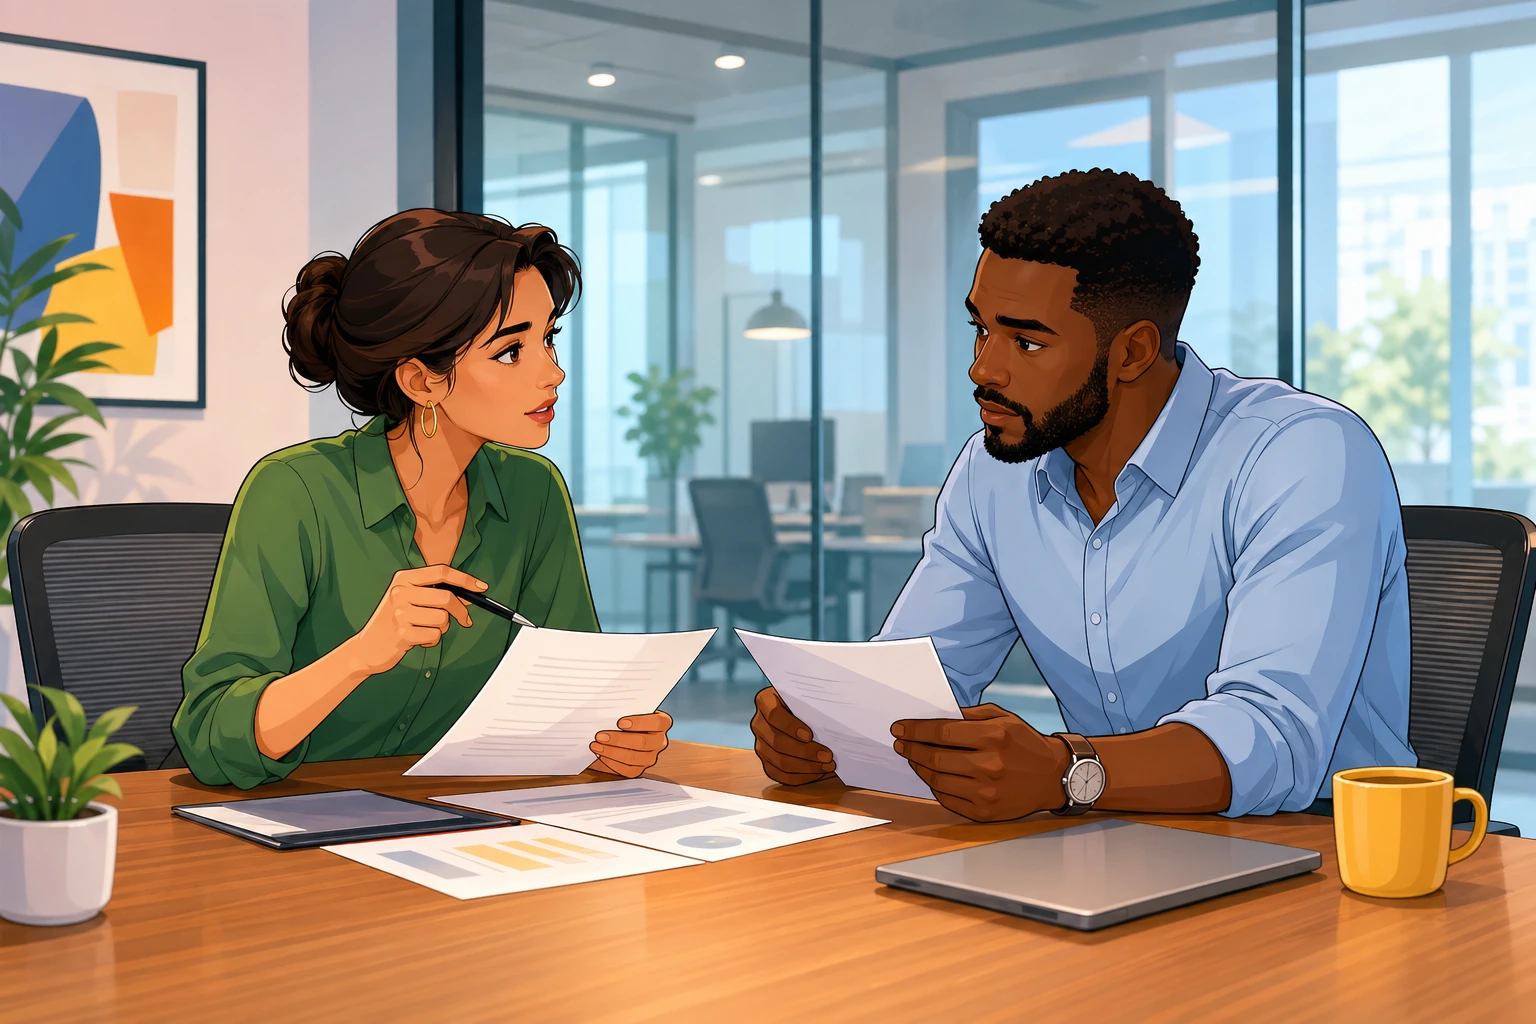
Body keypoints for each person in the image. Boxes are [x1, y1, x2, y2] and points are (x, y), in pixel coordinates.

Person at [751, 169, 1415, 821]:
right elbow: (919, 684)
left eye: (1027, 340)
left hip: (1323, 854)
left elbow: (1274, 736)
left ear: (1131, 353)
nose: (983, 368)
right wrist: (830, 728)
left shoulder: (1301, 453)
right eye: (981, 329)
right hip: (1109, 842)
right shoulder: (995, 471)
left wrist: (1067, 773)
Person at [174, 210, 672, 788]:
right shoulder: (294, 492)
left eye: (548, 339)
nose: (553, 372)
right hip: (298, 831)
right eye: (511, 351)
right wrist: (363, 653)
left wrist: (614, 737)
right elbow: (211, 737)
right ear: (421, 381)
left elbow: (576, 695)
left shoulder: (535, 493)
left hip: (472, 826)